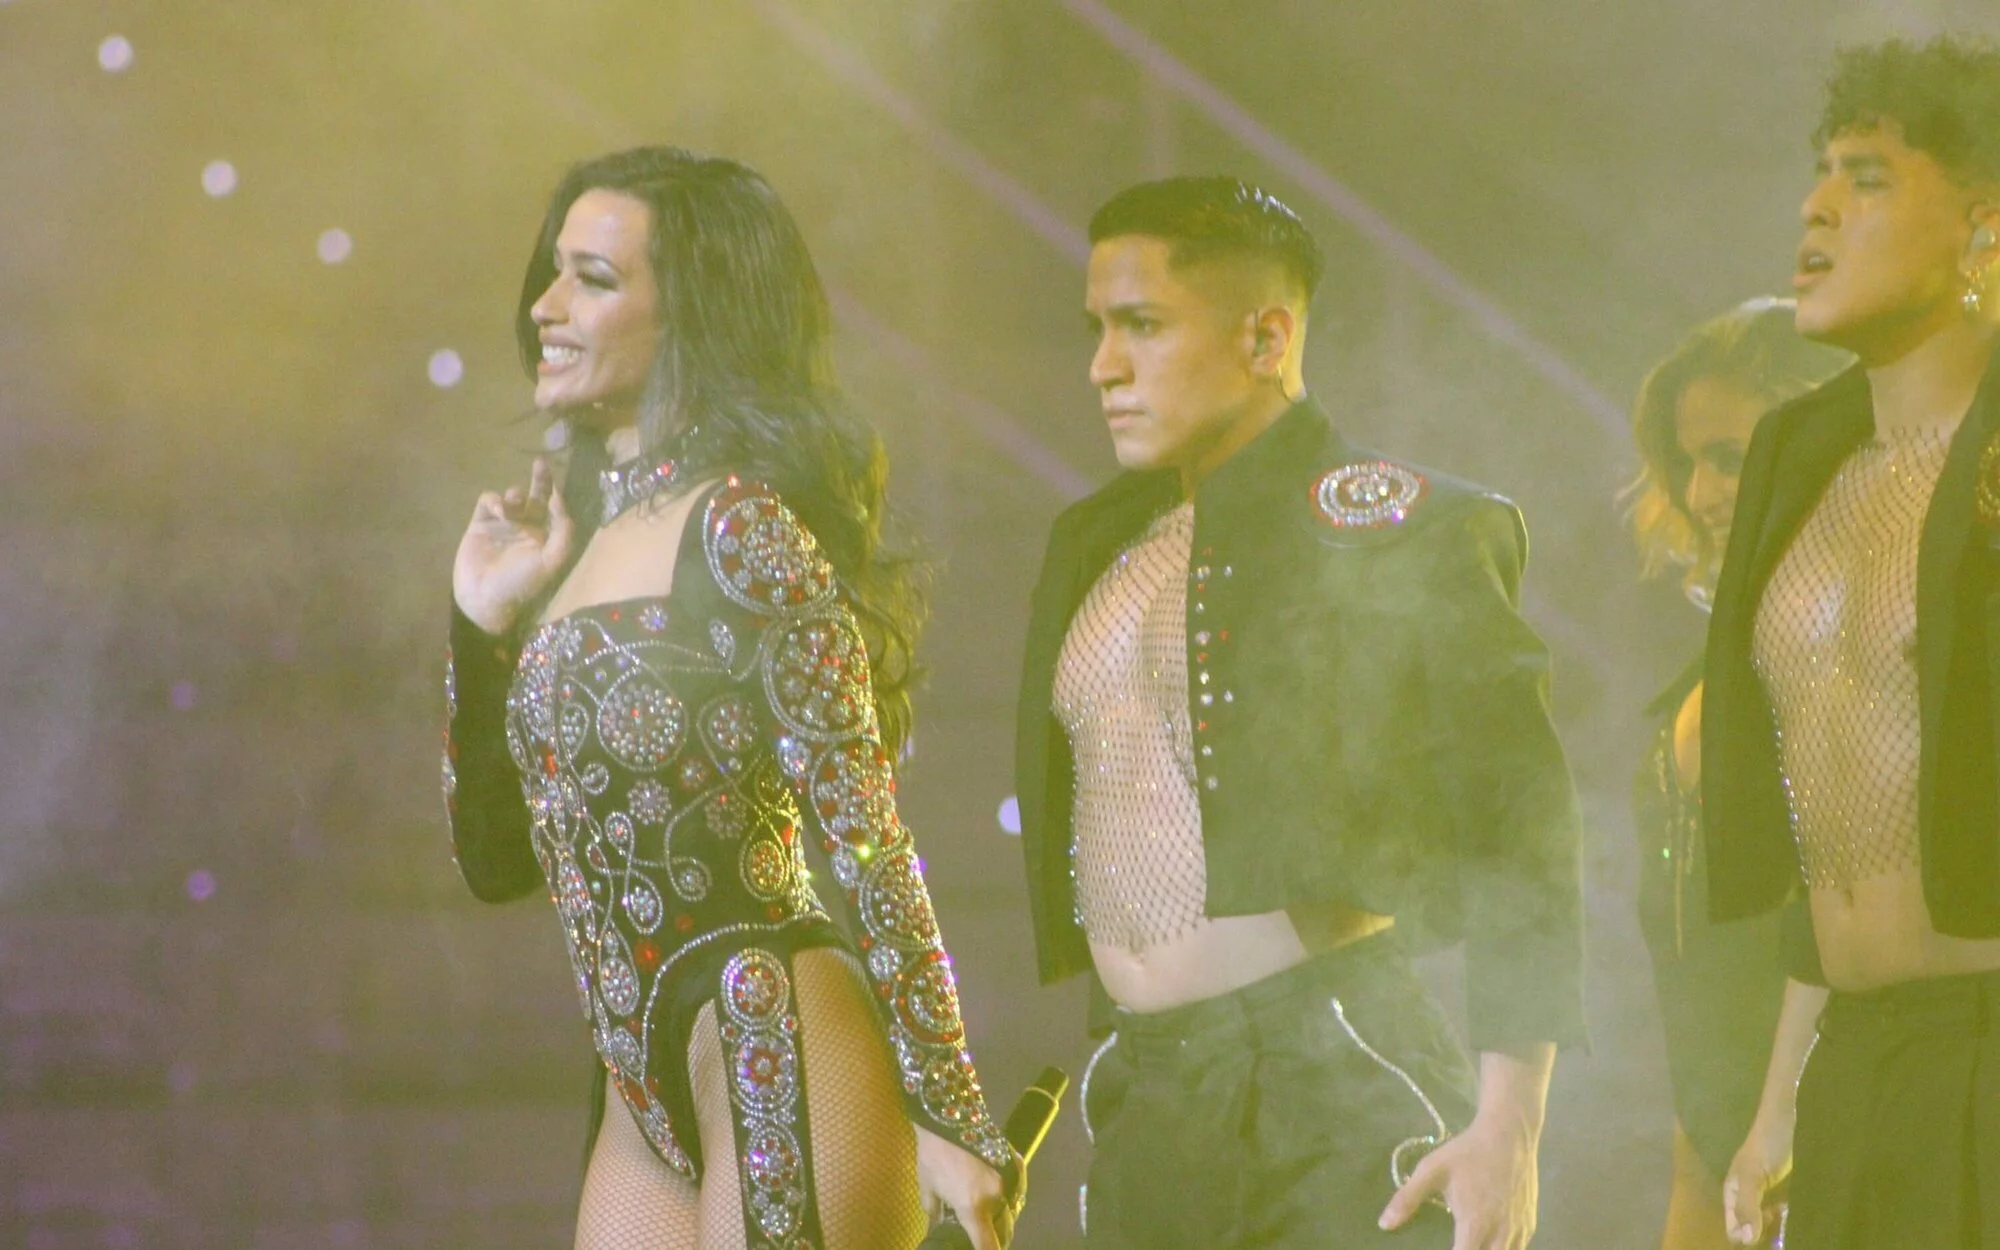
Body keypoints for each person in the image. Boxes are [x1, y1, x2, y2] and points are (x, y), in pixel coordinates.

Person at [440, 146, 1014, 1250]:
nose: (545, 308)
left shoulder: (738, 527)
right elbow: (495, 862)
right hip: (636, 1093)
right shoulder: (577, 550)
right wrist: (479, 623)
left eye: (592, 279)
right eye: (553, 273)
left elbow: (864, 832)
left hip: (772, 1027)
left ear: (691, 317)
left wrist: (949, 1111)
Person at [1011, 175, 1586, 1250]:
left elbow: (1523, 828)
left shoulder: (1402, 525)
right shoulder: (1095, 543)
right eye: (1097, 329)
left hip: (1328, 1077)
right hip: (1146, 1090)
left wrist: (1510, 1122)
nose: (1103, 366)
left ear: (1265, 337)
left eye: (1142, 325)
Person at [1701, 35, 2000, 1250]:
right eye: (1820, 171)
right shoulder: (1797, 456)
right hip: (1853, 1056)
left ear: (1983, 229)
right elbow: (1816, 804)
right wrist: (1775, 1101)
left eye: (1866, 177)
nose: (1815, 206)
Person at [1622, 298, 1847, 1250]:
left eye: (1728, 454)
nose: (1701, 490)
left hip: (1828, 1116)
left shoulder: (1856, 633)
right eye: (1687, 462)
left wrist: (1779, 1117)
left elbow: (1838, 901)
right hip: (1718, 1132)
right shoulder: (1729, 647)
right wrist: (1699, 1164)